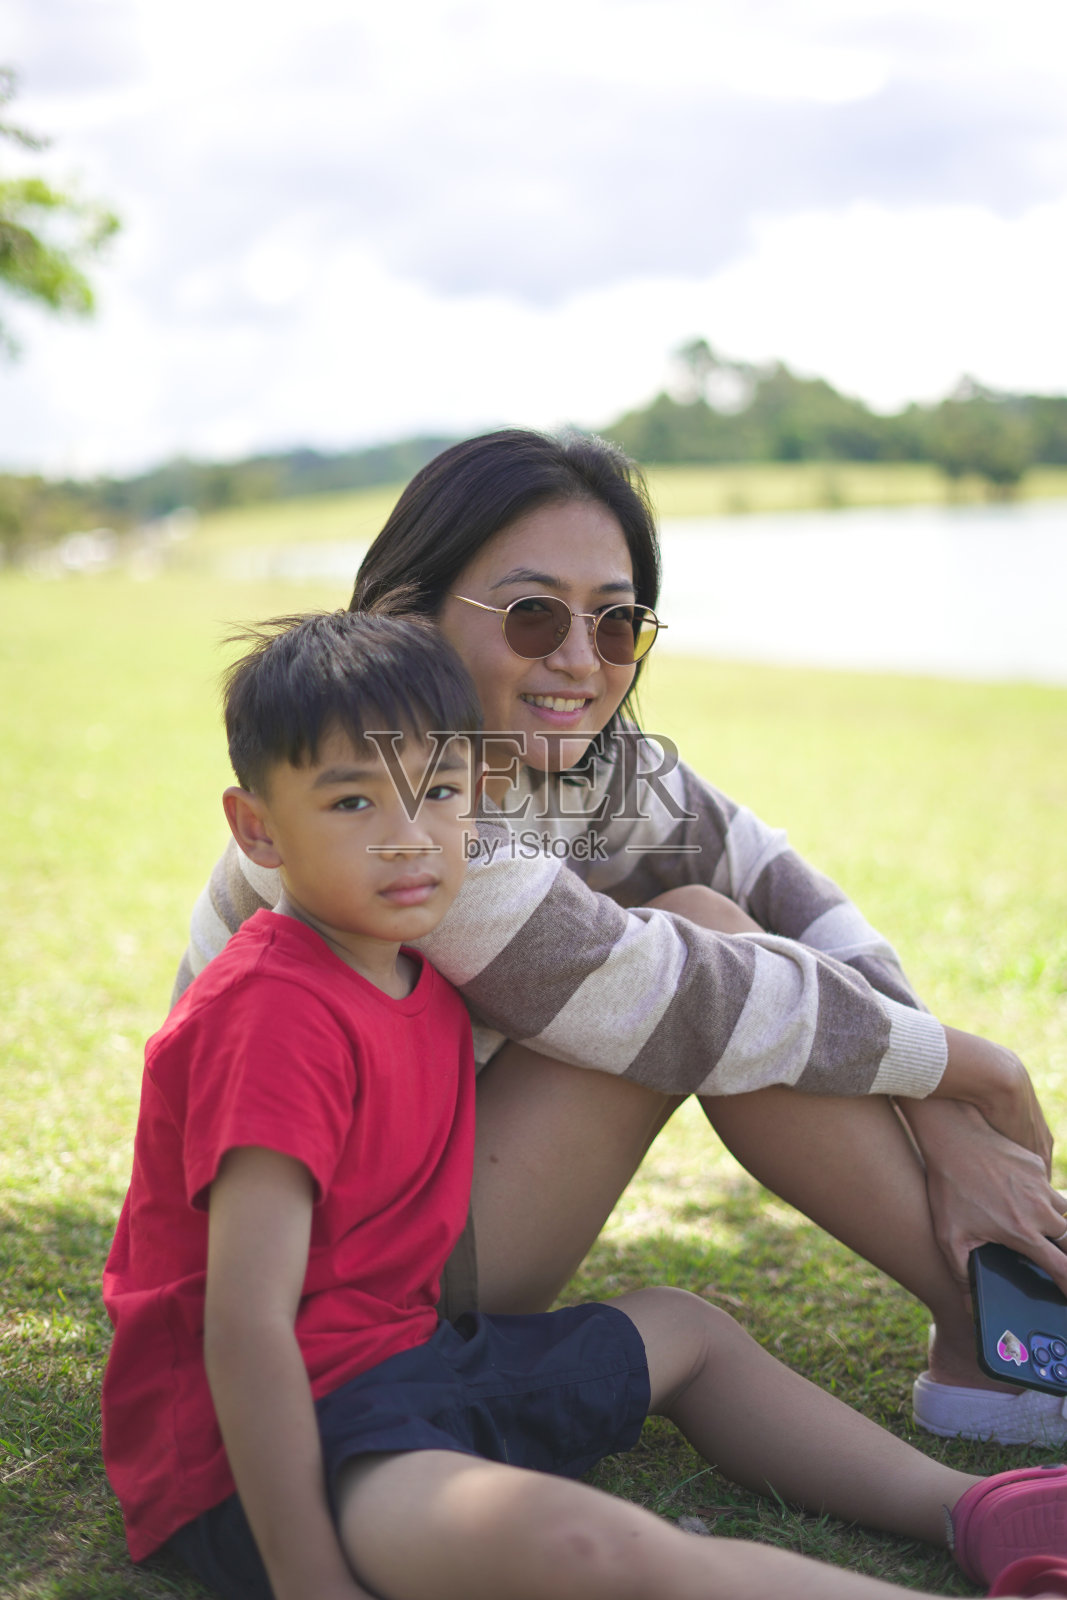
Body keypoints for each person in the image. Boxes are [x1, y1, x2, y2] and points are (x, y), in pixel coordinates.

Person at [104, 610, 1067, 1600]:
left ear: (480, 794)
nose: (408, 839)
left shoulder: (416, 972)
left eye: (440, 792)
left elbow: (751, 909)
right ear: (257, 827)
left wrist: (935, 1079)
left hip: (418, 1359)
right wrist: (309, 1578)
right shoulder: (271, 1010)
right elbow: (246, 1325)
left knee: (687, 1332)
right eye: (353, 802)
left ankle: (972, 1507)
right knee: (590, 1549)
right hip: (290, 1433)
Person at [176, 430, 1067, 1448]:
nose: (577, 659)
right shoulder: (388, 815)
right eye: (532, 613)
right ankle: (997, 1333)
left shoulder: (594, 768)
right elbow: (665, 999)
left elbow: (786, 890)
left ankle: (1004, 1313)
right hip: (327, 1280)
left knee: (712, 924)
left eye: (615, 623)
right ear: (411, 616)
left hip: (422, 1218)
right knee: (697, 978)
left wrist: (946, 1111)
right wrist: (971, 1070)